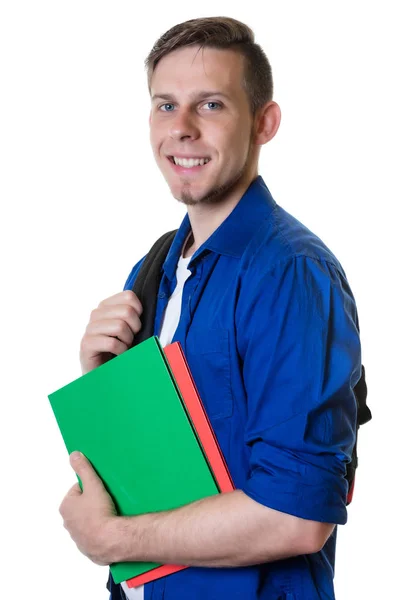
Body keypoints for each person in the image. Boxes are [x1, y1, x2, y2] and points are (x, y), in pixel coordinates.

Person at [59, 16, 362, 600]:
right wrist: (102, 384)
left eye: (212, 105)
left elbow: (295, 517)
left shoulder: (291, 274)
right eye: (165, 106)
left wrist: (113, 540)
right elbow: (154, 462)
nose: (183, 129)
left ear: (264, 123)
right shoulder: (158, 266)